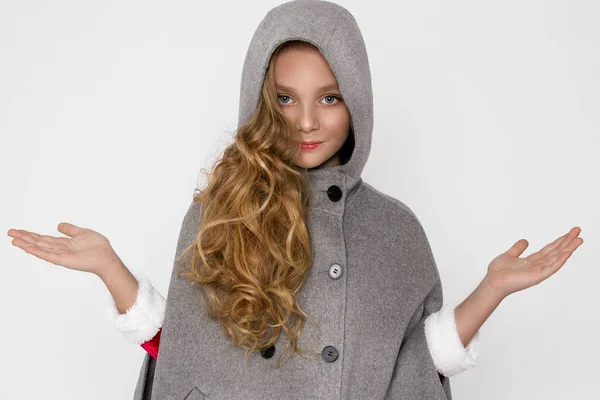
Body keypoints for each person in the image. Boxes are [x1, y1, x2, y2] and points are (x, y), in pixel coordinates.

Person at [7, 1, 583, 399]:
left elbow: (412, 363)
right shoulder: (221, 209)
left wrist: (493, 289)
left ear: (356, 100)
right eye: (286, 98)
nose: (307, 121)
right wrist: (110, 268)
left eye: (329, 97)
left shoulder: (393, 229)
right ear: (261, 99)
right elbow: (182, 350)